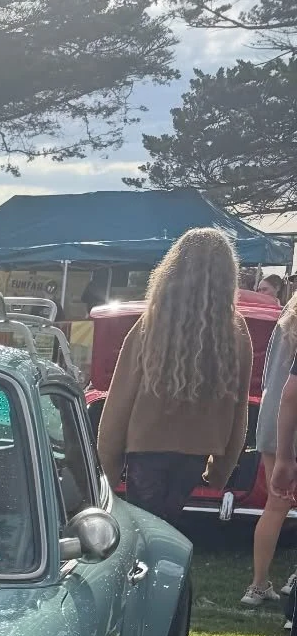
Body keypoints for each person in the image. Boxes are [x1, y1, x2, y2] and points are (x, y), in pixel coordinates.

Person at [95, 226, 251, 527]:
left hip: (146, 448)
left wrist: (106, 471)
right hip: (197, 451)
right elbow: (238, 406)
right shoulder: (234, 331)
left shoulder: (152, 323)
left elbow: (119, 400)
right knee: (166, 524)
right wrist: (221, 469)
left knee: (146, 527)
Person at [248, 292, 297, 612]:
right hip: (289, 411)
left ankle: (258, 583)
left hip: (271, 417)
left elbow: (268, 377)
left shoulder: (284, 321)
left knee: (275, 504)